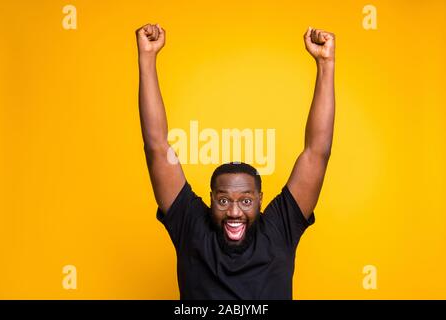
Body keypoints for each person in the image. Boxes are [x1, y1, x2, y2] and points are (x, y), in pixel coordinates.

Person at [135, 23, 335, 299]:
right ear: (212, 199)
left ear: (260, 199)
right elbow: (156, 147)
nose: (234, 212)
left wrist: (326, 64)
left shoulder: (279, 229)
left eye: (245, 200)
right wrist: (147, 58)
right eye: (224, 200)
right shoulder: (192, 226)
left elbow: (317, 153)